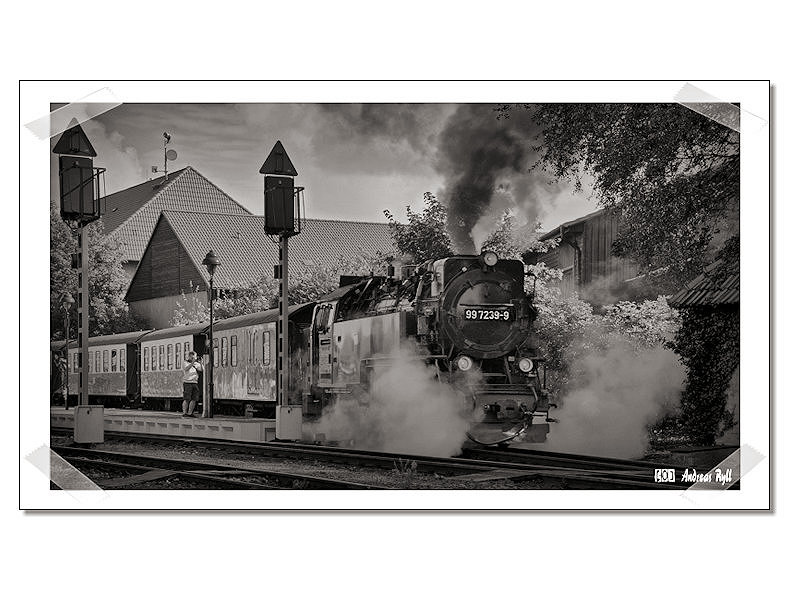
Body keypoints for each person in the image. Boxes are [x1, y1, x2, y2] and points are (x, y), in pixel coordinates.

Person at [182, 351, 203, 417]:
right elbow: (186, 369)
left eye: (194, 357)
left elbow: (202, 370)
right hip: (187, 382)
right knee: (187, 398)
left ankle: (190, 413)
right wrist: (193, 362)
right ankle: (184, 412)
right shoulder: (185, 362)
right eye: (192, 357)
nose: (193, 358)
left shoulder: (197, 364)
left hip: (195, 382)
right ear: (189, 356)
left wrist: (201, 363)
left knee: (194, 399)